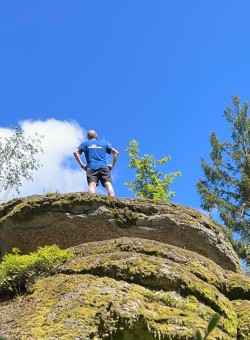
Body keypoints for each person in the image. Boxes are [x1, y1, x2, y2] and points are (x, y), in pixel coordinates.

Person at [73, 130, 119, 196]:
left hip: (91, 167)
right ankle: (112, 201)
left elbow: (75, 152)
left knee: (92, 184)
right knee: (108, 183)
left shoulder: (85, 144)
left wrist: (82, 166)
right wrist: (112, 165)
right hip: (103, 167)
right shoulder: (103, 144)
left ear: (87, 137)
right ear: (96, 136)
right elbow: (116, 153)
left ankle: (92, 200)